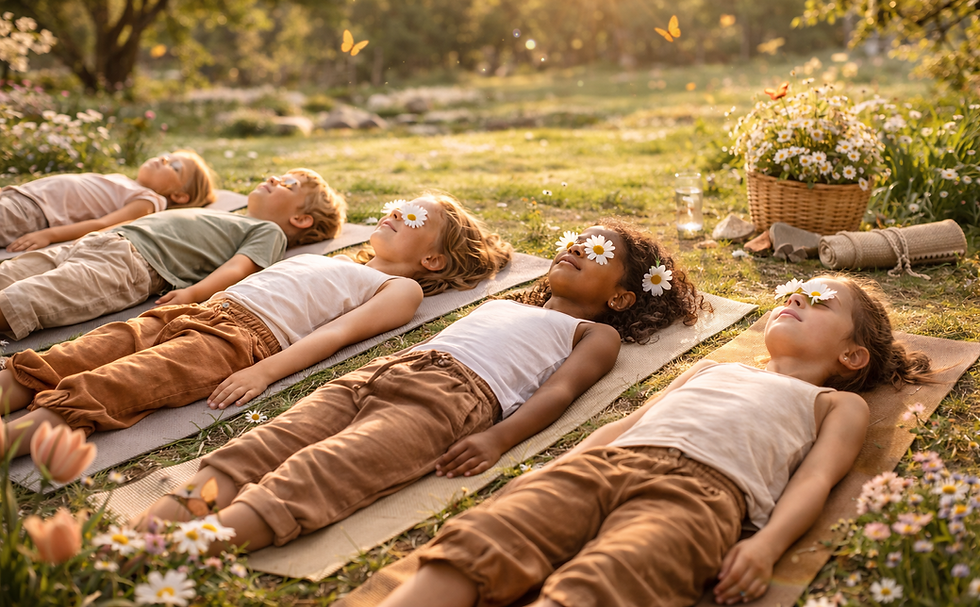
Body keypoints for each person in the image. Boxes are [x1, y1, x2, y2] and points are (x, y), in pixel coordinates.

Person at [134, 219, 706, 556]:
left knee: (326, 469)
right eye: (578, 240)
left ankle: (183, 552)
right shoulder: (511, 302)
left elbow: (558, 394)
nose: (578, 247)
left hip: (450, 401)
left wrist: (499, 439)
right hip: (382, 374)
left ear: (621, 297)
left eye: (600, 251)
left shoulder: (595, 334)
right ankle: (145, 533)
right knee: (265, 444)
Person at [375, 276, 935, 607]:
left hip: (699, 498)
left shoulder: (838, 404)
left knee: (612, 578)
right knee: (490, 535)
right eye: (794, 293)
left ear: (852, 355)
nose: (795, 300)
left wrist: (767, 547)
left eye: (819, 301)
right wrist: (555, 469)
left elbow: (816, 480)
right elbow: (625, 424)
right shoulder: (712, 368)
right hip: (607, 465)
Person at [0, 194, 512, 457]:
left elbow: (335, 335)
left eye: (414, 218)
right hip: (194, 312)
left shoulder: (401, 289)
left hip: (237, 339)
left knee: (112, 384)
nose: (397, 214)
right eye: (398, 208)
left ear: (433, 261)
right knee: (70, 356)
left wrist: (264, 372)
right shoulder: (342, 260)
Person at [0, 168, 345, 341]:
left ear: (300, 219)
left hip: (132, 264)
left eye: (288, 185)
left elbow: (240, 267)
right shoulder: (232, 218)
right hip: (101, 242)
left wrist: (195, 293)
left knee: (28, 298)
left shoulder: (269, 232)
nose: (273, 178)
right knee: (11, 273)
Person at [0, 151, 216, 252]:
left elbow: (103, 225)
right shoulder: (127, 183)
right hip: (18, 195)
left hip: (31, 212)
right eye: (168, 155)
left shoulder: (149, 200)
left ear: (179, 195)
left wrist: (49, 235)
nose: (163, 159)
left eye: (175, 167)